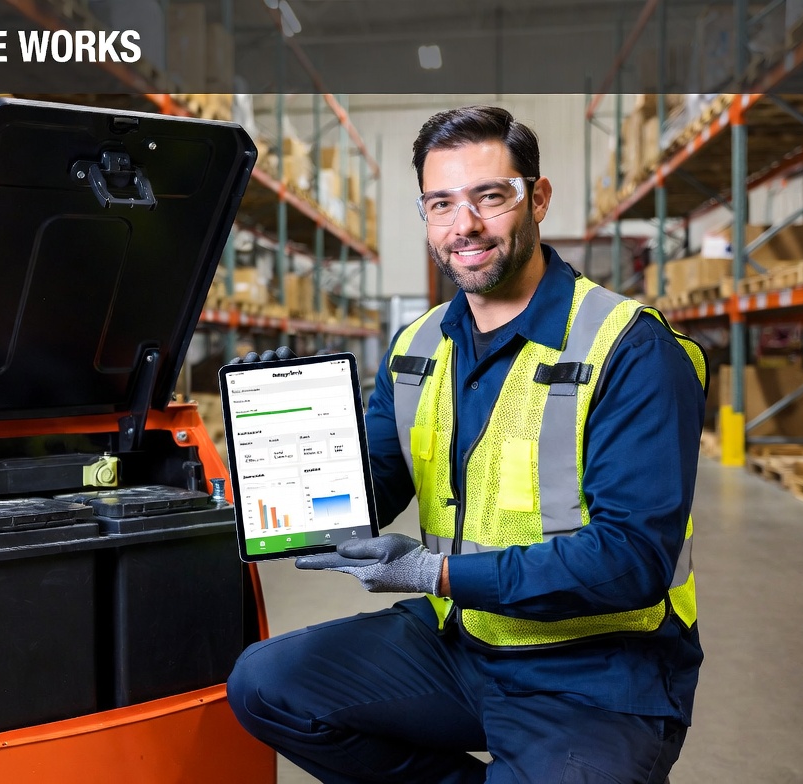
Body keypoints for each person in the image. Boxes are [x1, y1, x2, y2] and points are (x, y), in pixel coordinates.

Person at [226, 105, 707, 783]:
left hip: (598, 671)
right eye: (441, 203)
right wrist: (284, 437)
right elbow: (368, 492)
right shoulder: (418, 346)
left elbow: (631, 559)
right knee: (267, 683)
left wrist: (436, 574)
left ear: (537, 198)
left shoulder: (631, 348)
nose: (465, 225)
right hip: (464, 641)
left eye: (491, 196)